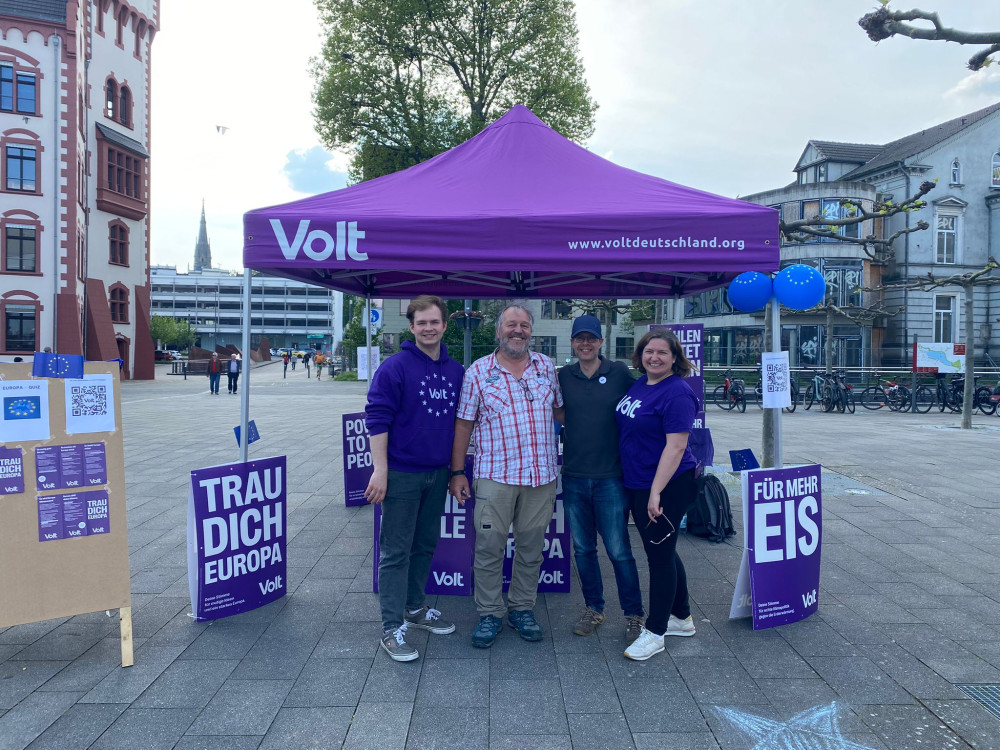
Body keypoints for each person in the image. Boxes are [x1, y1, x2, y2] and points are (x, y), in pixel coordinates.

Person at [450, 303, 564, 648]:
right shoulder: (478, 372)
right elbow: (463, 424)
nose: (518, 331)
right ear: (499, 331)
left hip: (540, 477)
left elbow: (560, 412)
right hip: (494, 478)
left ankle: (521, 608)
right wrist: (457, 471)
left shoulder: (546, 367)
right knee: (488, 549)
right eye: (511, 325)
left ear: (531, 331)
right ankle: (489, 613)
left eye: (524, 326)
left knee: (531, 550)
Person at [364, 295, 465, 662]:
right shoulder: (395, 368)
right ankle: (391, 628)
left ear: (444, 325)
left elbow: (460, 424)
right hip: (402, 474)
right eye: (421, 322)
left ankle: (414, 608)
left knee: (424, 545)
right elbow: (377, 417)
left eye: (434, 322)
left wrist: (456, 472)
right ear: (411, 327)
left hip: (436, 474)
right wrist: (381, 468)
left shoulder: (456, 372)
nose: (428, 328)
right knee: (395, 552)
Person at [558, 314, 644, 644]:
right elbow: (558, 410)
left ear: (600, 343)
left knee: (619, 549)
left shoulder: (620, 372)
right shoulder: (564, 375)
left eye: (590, 338)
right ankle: (594, 608)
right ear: (572, 342)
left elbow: (642, 403)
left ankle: (634, 614)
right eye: (579, 338)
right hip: (575, 475)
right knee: (583, 550)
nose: (585, 343)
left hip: (611, 477)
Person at [616, 329, 699, 661]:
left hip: (667, 484)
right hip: (641, 482)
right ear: (640, 355)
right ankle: (682, 617)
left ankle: (655, 631)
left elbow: (677, 445)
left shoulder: (677, 392)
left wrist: (656, 492)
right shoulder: (641, 384)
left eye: (663, 353)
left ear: (675, 358)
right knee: (663, 549)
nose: (654, 357)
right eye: (649, 351)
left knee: (659, 559)